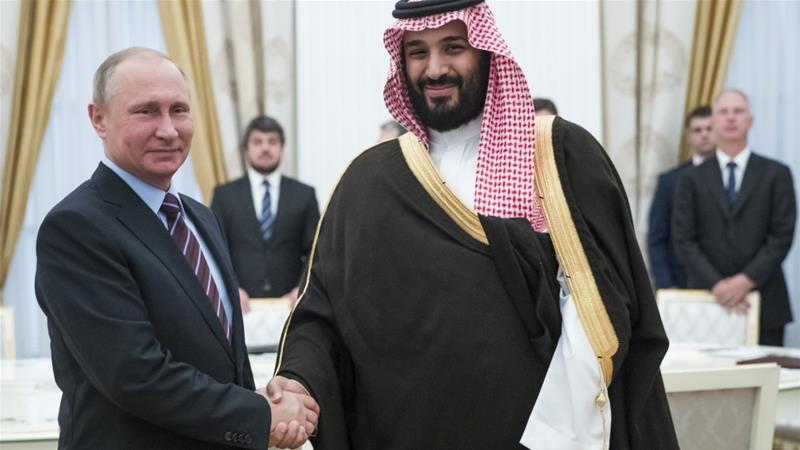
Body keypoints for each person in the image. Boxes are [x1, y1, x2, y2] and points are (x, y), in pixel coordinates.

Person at [268, 1, 677, 449]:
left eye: (454, 47)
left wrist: (551, 438)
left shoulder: (557, 156)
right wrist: (298, 382)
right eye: (417, 52)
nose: (435, 68)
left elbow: (598, 311)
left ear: (485, 51)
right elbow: (323, 311)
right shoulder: (368, 181)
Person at [35, 47, 318, 449]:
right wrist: (260, 416)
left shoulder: (199, 217)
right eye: (146, 111)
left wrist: (262, 405)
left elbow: (222, 359)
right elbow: (135, 373)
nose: (168, 130)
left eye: (179, 110)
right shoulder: (76, 227)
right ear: (98, 118)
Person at [673, 89, 796, 346]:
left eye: (738, 111)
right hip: (707, 301)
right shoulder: (690, 179)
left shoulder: (777, 173)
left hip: (765, 301)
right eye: (723, 112)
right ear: (714, 121)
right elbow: (683, 239)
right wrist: (719, 286)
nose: (731, 118)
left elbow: (782, 235)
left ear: (750, 121)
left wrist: (744, 281)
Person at [211, 116, 319, 310]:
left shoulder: (304, 194)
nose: (265, 148)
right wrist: (231, 287)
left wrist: (302, 288)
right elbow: (215, 248)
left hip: (291, 306)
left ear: (282, 148)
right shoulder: (224, 195)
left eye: (272, 142)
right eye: (258, 142)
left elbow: (315, 250)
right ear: (246, 149)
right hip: (239, 306)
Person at [647, 105, 715, 289]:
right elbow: (657, 237)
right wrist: (666, 285)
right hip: (681, 283)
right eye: (698, 130)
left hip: (728, 286)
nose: (704, 135)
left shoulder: (733, 177)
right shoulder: (670, 181)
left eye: (710, 129)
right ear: (689, 136)